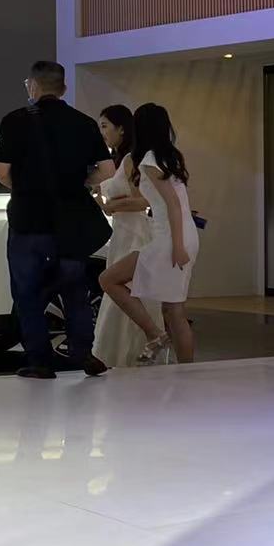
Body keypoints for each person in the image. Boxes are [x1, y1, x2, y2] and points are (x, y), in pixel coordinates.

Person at [0, 60, 114, 379]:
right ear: (64, 88)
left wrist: (27, 189)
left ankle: (40, 361)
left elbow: (1, 171)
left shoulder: (14, 121)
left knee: (28, 292)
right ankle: (83, 353)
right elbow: (107, 170)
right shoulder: (84, 123)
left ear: (33, 85)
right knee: (74, 289)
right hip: (71, 221)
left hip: (28, 221)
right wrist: (80, 183)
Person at [99, 103, 200, 364]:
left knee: (110, 280)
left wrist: (177, 247)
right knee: (173, 309)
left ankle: (155, 335)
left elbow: (173, 205)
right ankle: (179, 361)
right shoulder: (169, 157)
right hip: (177, 236)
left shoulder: (149, 161)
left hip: (171, 238)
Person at [92, 105, 156, 368]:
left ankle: (135, 349)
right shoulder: (119, 159)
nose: (102, 132)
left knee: (124, 287)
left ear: (121, 128)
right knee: (121, 289)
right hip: (122, 231)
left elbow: (143, 200)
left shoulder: (131, 159)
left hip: (134, 231)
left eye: (105, 126)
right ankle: (122, 353)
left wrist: (110, 206)